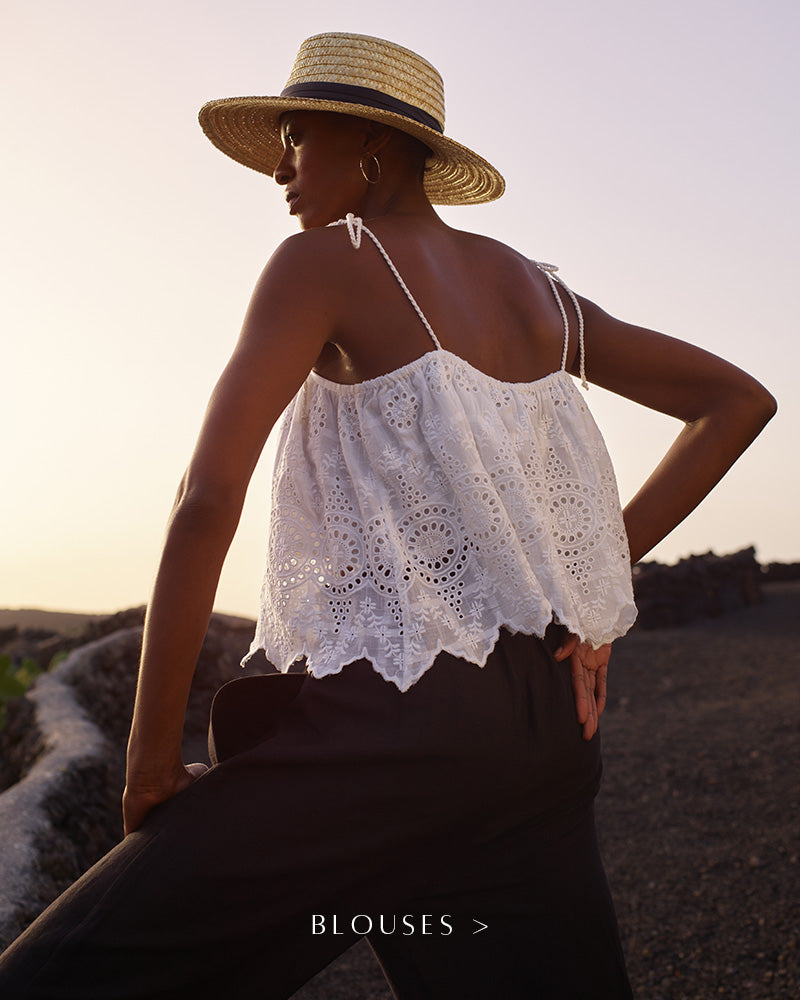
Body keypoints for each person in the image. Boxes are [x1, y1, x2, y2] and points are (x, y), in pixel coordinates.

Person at [0, 31, 776, 1000]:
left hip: (401, 728)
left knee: (61, 980)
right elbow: (735, 399)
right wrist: (581, 593)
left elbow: (205, 503)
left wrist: (150, 764)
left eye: (295, 138)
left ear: (370, 145)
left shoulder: (320, 264)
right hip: (541, 732)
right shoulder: (535, 288)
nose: (280, 168)